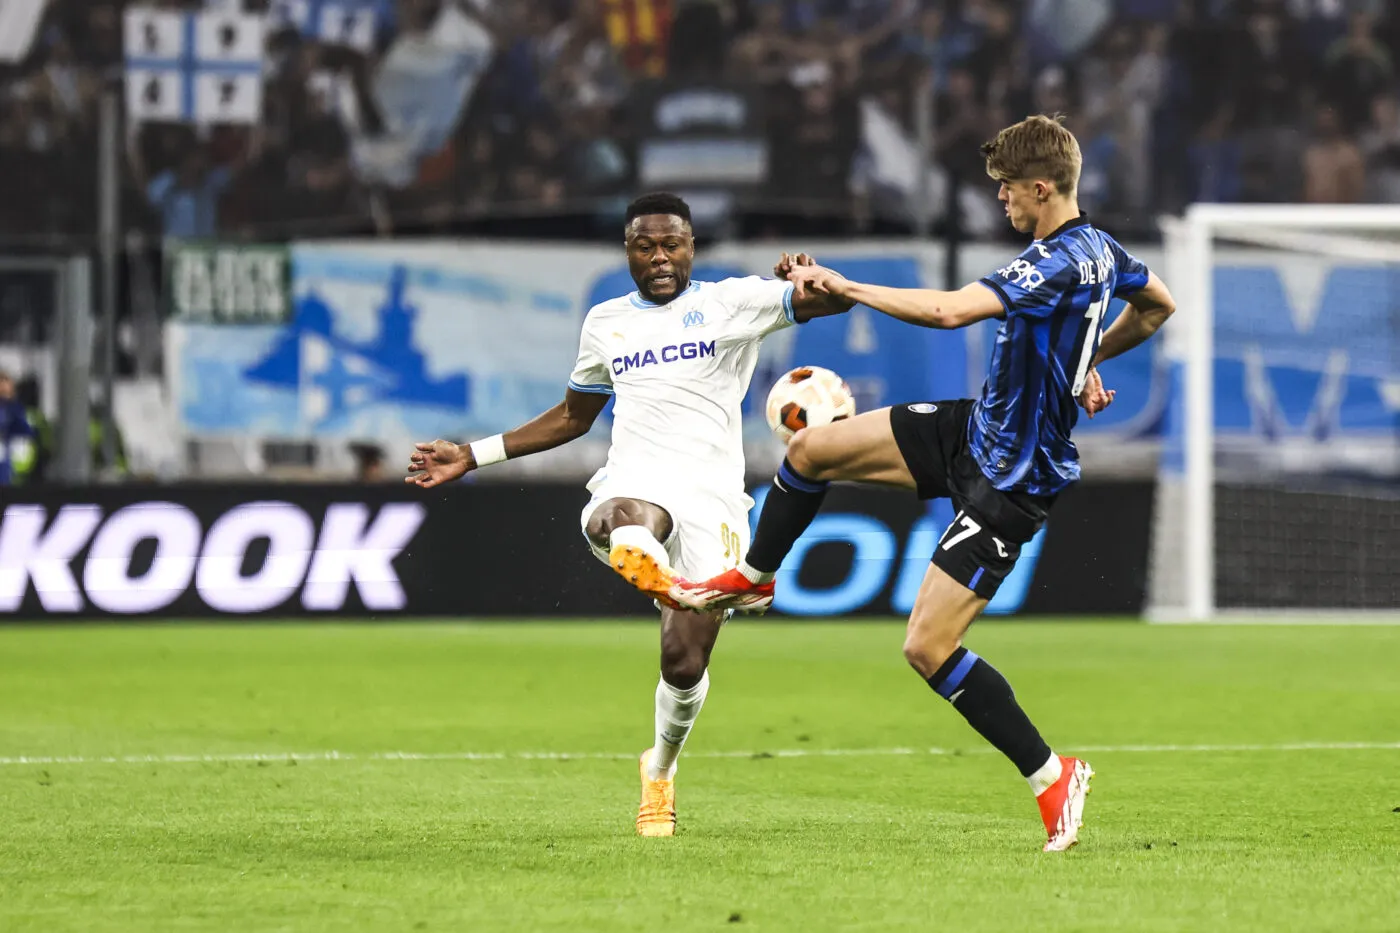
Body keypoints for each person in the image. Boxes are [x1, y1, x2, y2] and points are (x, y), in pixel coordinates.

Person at [670, 115, 1177, 852]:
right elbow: (1158, 303)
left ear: (1041, 188)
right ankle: (753, 576)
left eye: (1007, 191)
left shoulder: (1058, 259)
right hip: (973, 431)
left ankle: (1051, 773)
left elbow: (946, 312)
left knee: (927, 646)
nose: (1001, 202)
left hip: (1013, 477)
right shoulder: (1104, 250)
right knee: (810, 450)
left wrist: (843, 285)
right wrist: (1083, 361)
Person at [404, 192, 851, 836]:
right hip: (639, 478)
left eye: (672, 244)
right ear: (629, 252)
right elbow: (572, 417)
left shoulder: (731, 302)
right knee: (623, 513)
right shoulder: (607, 322)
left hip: (713, 498)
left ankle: (660, 769)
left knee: (683, 663)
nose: (660, 257)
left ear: (692, 247)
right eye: (646, 246)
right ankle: (650, 559)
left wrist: (810, 279)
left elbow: (832, 300)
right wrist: (471, 455)